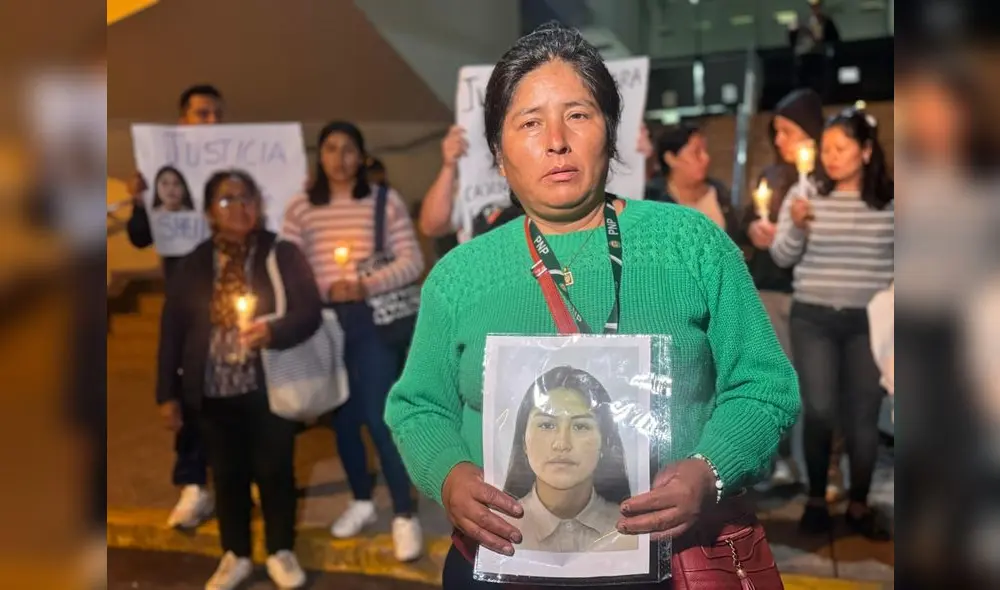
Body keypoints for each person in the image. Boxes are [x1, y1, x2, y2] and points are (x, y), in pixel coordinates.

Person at [385, 23, 799, 589]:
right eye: (529, 122)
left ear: (611, 132)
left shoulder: (692, 244)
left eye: (578, 114)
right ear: (499, 155)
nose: (556, 139)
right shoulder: (459, 276)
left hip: (670, 565)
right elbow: (418, 406)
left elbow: (764, 384)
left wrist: (710, 471)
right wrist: (449, 476)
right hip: (507, 562)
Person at [157, 169, 321, 589]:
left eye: (247, 197)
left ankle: (280, 550)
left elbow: (309, 312)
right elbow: (172, 330)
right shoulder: (195, 262)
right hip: (212, 393)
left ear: (259, 204)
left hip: (270, 387)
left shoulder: (280, 253)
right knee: (227, 477)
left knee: (274, 472)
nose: (239, 207)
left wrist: (273, 331)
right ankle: (236, 554)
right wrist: (167, 394)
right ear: (210, 210)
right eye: (227, 200)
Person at [280, 121, 425, 562]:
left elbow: (412, 260)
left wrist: (367, 285)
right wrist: (325, 289)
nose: (338, 157)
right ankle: (362, 500)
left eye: (348, 149)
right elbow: (288, 266)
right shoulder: (301, 207)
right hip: (324, 322)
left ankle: (404, 512)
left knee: (381, 417)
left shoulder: (384, 200)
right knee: (342, 420)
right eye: (330, 148)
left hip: (372, 320)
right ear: (319, 155)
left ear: (360, 156)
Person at [770, 107, 894, 541]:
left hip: (868, 323)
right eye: (826, 149)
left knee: (863, 416)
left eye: (842, 149)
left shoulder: (891, 200)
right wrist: (798, 227)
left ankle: (859, 503)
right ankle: (817, 499)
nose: (832, 157)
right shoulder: (805, 196)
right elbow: (782, 256)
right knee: (820, 410)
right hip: (814, 318)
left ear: (865, 151)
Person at [126, 83, 225, 530]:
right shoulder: (162, 177)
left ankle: (241, 479)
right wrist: (137, 201)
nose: (209, 122)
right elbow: (141, 237)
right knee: (188, 392)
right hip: (186, 302)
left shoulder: (235, 171)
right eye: (200, 114)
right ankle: (193, 485)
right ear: (182, 119)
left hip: (237, 300)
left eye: (215, 115)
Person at [740, 88, 823, 490]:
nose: (780, 141)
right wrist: (758, 232)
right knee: (782, 380)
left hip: (818, 294)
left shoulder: (827, 178)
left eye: (788, 131)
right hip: (773, 289)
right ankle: (785, 460)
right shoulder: (772, 176)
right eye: (776, 132)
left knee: (823, 385)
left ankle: (828, 465)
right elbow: (747, 224)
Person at [500, 366, 636, 553]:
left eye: (580, 427)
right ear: (523, 440)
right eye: (546, 425)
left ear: (605, 442)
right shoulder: (500, 527)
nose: (562, 444)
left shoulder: (633, 531)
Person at [646, 123, 737, 238]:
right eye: (696, 152)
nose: (706, 158)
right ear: (671, 158)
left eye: (705, 151)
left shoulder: (719, 192)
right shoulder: (654, 199)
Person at [788, 0, 840, 100]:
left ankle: (821, 100)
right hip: (804, 55)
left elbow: (834, 37)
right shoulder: (801, 20)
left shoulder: (825, 21)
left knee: (819, 82)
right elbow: (792, 39)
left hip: (818, 54)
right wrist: (792, 31)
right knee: (803, 82)